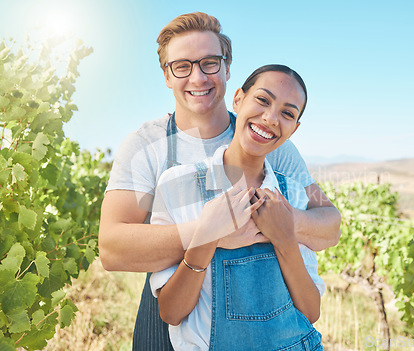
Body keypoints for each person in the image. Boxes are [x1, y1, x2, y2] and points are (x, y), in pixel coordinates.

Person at [98, 12, 341, 350]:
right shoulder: (146, 146)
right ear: (167, 76)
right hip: (174, 310)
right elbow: (112, 248)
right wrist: (210, 233)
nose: (197, 77)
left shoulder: (270, 142)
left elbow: (329, 224)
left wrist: (285, 225)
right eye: (182, 66)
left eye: (209, 63)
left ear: (228, 68)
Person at [149, 64, 325, 350]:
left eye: (287, 113)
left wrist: (285, 238)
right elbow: (171, 312)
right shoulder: (176, 186)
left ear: (294, 128)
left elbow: (310, 311)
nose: (270, 118)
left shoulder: (293, 194)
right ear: (238, 99)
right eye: (263, 100)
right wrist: (207, 236)